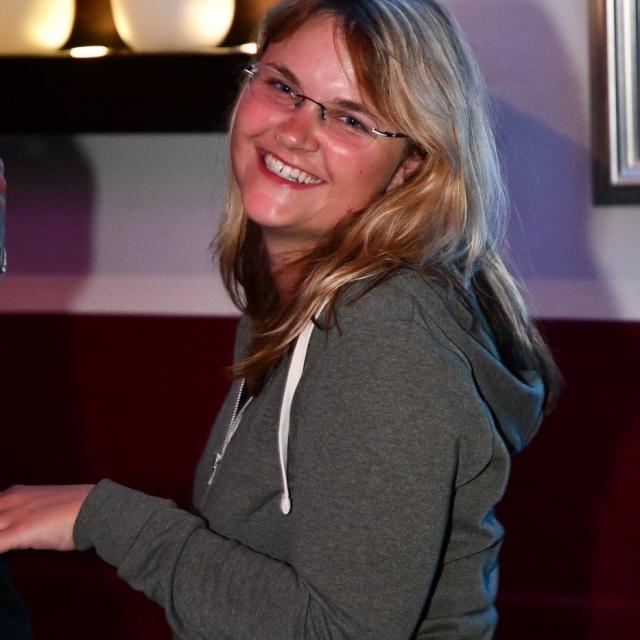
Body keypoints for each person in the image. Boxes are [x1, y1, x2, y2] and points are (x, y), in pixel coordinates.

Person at [0, 1, 559, 638]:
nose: (295, 132)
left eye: (351, 118)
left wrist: (103, 518)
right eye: (284, 86)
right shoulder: (299, 294)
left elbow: (339, 632)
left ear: (411, 165)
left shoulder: (385, 332)